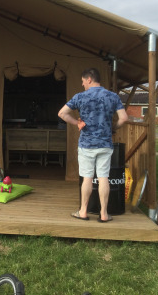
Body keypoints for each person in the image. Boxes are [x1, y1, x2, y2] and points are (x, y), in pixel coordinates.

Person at [58, 68, 128, 223]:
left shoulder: (80, 97)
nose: (82, 85)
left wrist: (77, 122)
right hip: (105, 144)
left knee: (87, 178)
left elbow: (62, 113)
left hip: (86, 145)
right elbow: (123, 118)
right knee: (104, 178)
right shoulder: (112, 96)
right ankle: (104, 214)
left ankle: (83, 212)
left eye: (83, 82)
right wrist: (113, 128)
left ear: (89, 79)